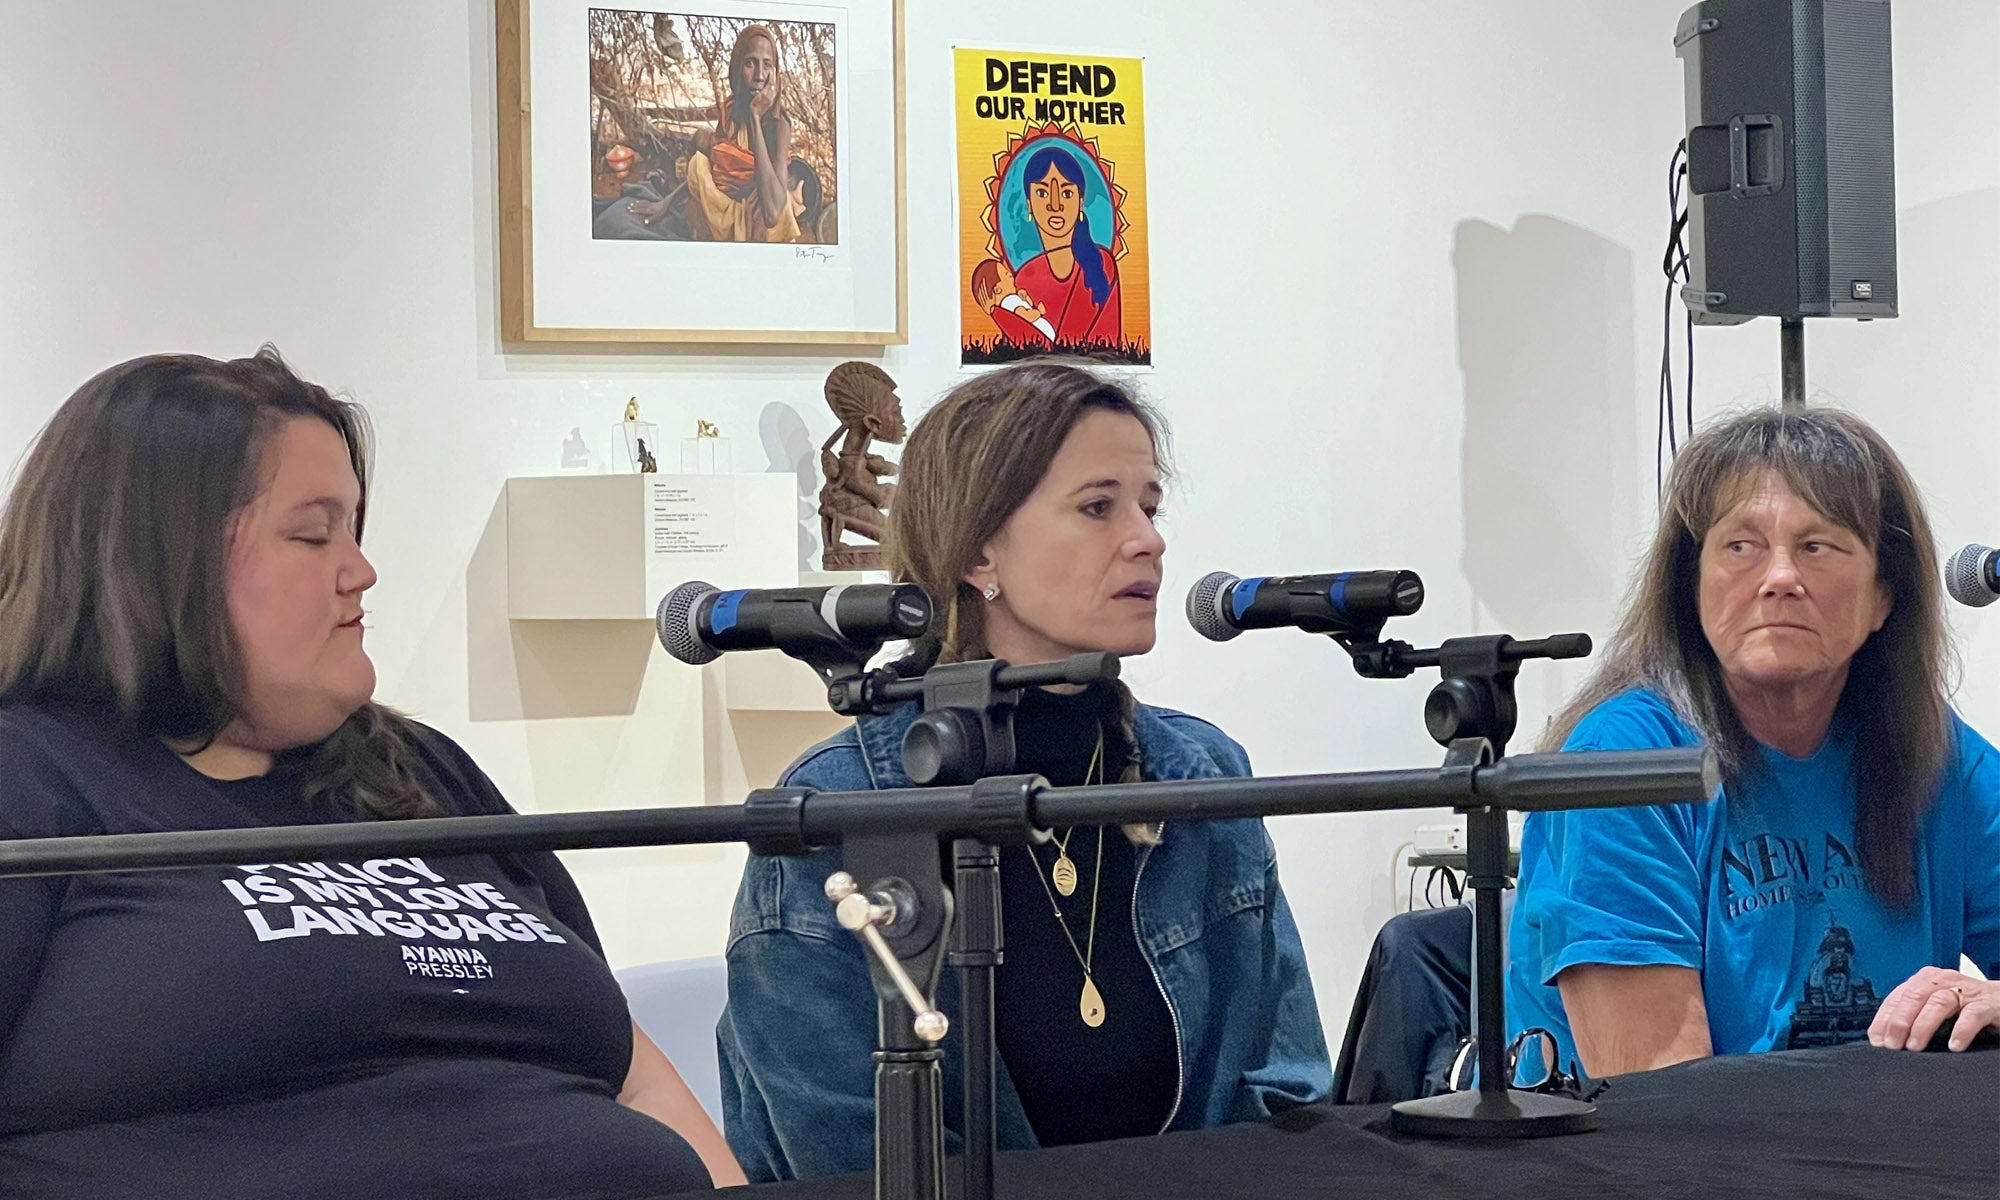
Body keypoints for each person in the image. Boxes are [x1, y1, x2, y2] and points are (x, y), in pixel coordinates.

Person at [0, 349, 746, 1195]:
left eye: (355, 529)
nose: (361, 571)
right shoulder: (33, 777)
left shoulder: (422, 772)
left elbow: (634, 1075)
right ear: (154, 563)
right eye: (313, 534)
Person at [718, 362, 1331, 1182]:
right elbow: (848, 1154)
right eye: (1097, 507)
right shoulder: (839, 810)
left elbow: (1284, 1091)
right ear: (978, 552)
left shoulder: (1201, 772)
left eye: (1149, 506)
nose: (1147, 538)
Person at [1507, 406, 2000, 1080]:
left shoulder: (1936, 755)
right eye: (1740, 547)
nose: (1779, 578)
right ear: (1693, 587)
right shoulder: (1623, 764)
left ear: (1886, 594)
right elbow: (1656, 1099)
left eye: (1817, 546)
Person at [630, 24, 799, 243]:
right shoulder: (731, 112)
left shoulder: (779, 124)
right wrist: (666, 202)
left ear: (775, 73)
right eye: (750, 63)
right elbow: (713, 166)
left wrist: (755, 118)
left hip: (764, 230)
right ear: (738, 68)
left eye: (767, 65)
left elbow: (773, 213)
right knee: (697, 165)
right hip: (727, 214)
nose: (759, 75)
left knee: (780, 200)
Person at [1006, 144, 1122, 349]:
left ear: (1080, 202)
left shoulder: (1101, 264)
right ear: (1029, 204)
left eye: (1067, 193)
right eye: (1042, 193)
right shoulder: (1024, 279)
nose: (1055, 204)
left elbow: (1109, 352)